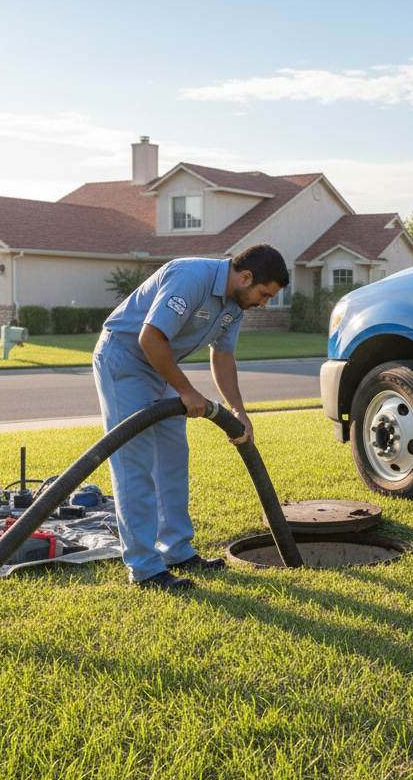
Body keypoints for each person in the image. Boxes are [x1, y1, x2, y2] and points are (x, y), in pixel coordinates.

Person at [92, 244, 289, 591]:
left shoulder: (235, 302)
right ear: (245, 277)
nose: (264, 303)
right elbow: (149, 336)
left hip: (161, 366)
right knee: (134, 463)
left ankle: (177, 551)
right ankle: (145, 568)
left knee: (172, 458)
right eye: (264, 294)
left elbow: (223, 356)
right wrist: (186, 391)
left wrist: (238, 410)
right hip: (124, 358)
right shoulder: (191, 277)